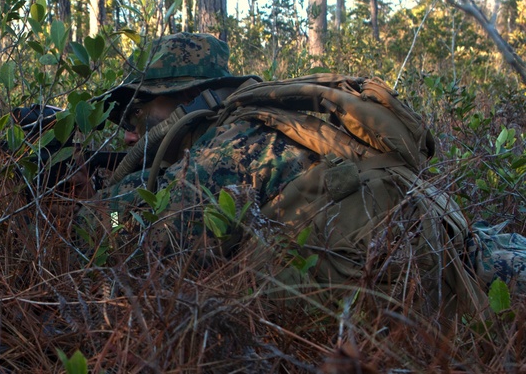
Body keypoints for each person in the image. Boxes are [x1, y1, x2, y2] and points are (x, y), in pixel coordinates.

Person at [73, 32, 524, 316]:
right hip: (469, 251)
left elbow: (118, 234)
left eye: (138, 112)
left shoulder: (222, 153)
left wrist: (99, 201)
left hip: (446, 293)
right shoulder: (273, 120)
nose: (130, 132)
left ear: (187, 101)